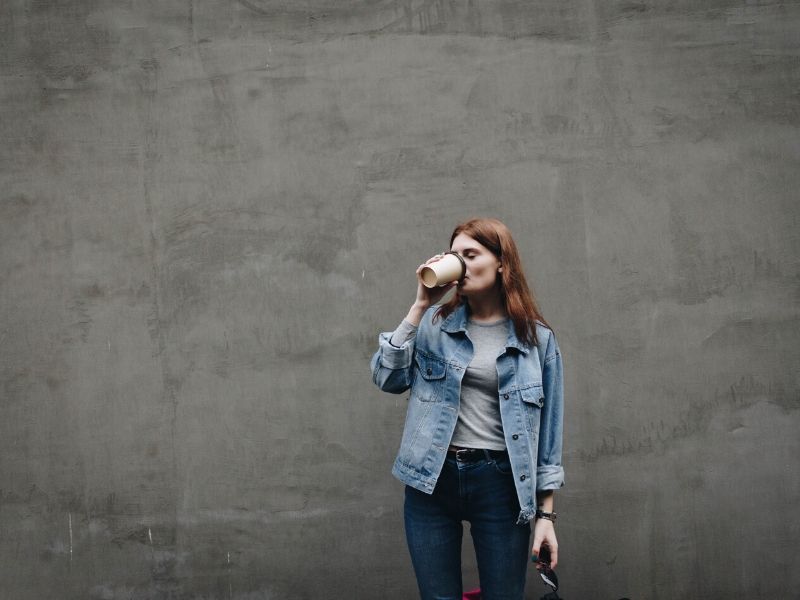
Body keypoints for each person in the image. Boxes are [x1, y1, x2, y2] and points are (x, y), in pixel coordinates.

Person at [369, 217, 565, 600]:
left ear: (501, 263)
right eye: (454, 255)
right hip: (431, 479)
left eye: (470, 255)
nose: (459, 264)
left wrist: (545, 518)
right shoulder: (433, 325)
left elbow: (549, 441)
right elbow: (386, 378)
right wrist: (420, 306)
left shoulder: (537, 341)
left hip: (501, 484)